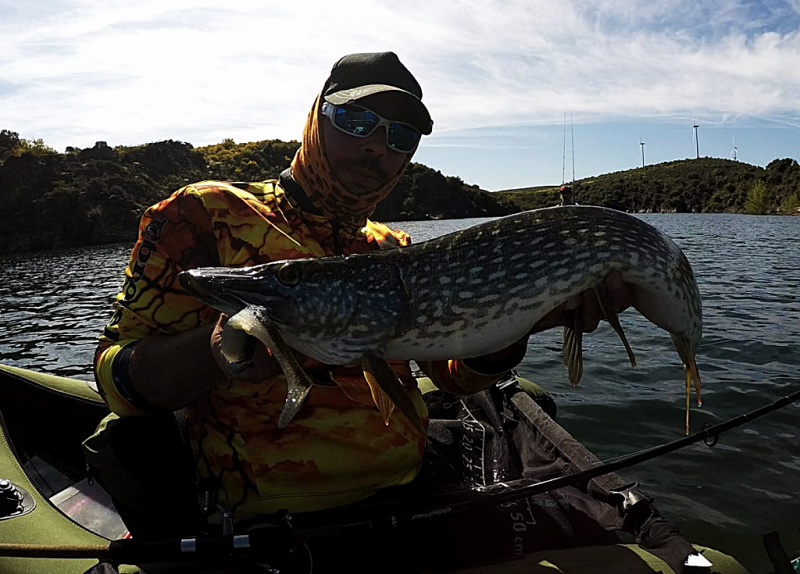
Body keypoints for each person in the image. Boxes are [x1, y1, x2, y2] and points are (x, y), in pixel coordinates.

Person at [88, 52, 639, 566]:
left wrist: (523, 319)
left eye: (401, 136)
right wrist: (213, 352)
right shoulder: (204, 213)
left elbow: (454, 375)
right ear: (316, 117)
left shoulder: (392, 248)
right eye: (357, 121)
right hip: (276, 523)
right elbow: (115, 374)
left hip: (414, 493)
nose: (379, 146)